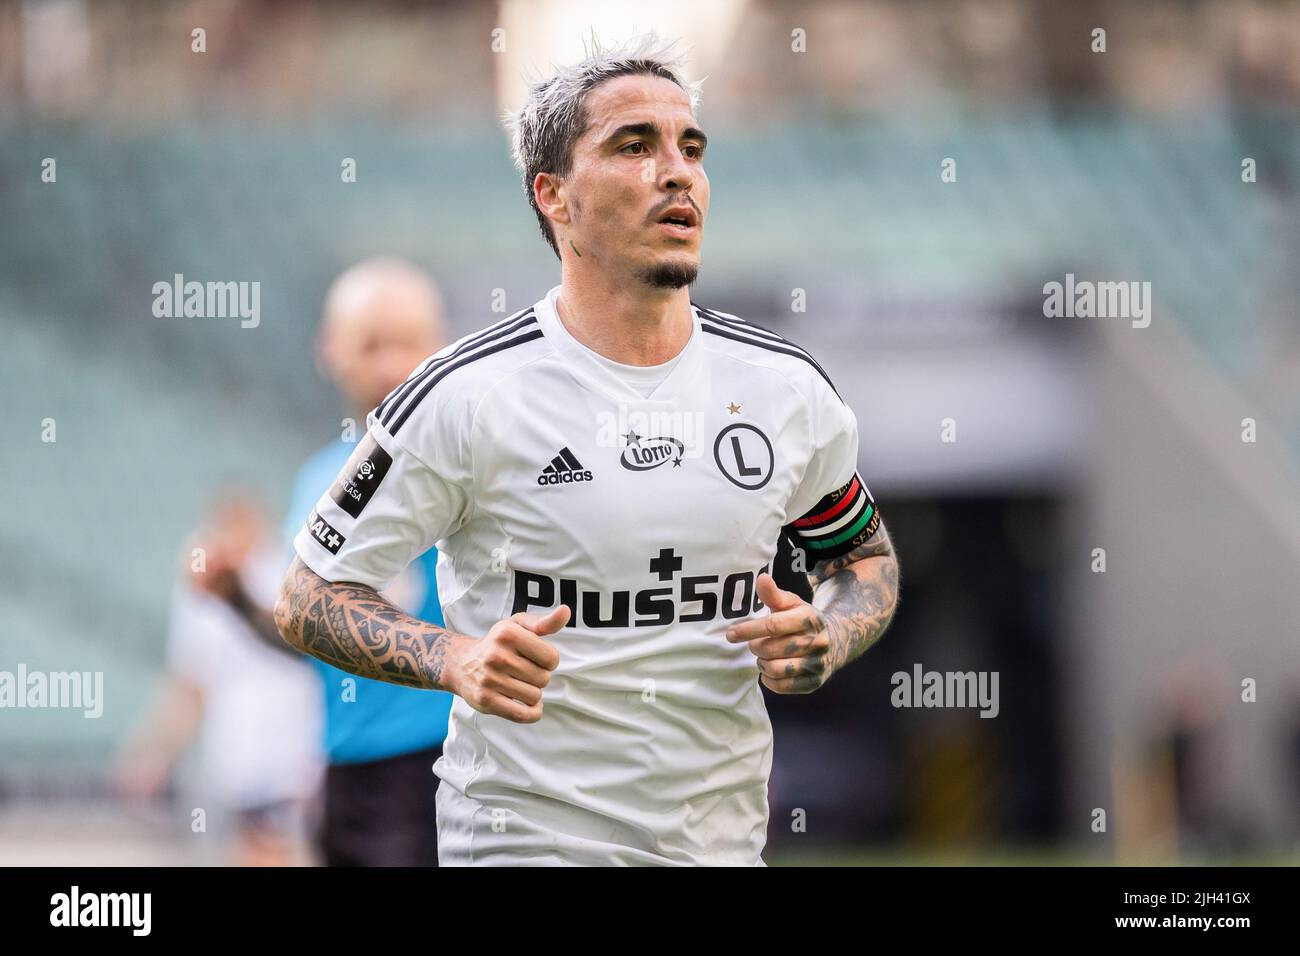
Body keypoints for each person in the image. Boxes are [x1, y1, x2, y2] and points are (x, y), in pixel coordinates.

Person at [275, 35, 900, 866]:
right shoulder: (465, 394)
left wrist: (827, 633)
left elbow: (863, 561)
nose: (676, 171)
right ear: (554, 196)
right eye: (633, 146)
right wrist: (453, 656)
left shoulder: (785, 391)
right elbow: (306, 594)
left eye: (691, 147)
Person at [284, 256, 454, 866]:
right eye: (370, 344)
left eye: (405, 343)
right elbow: (301, 625)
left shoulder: (471, 465)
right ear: (330, 350)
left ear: (439, 346)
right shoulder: (318, 481)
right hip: (348, 768)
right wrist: (231, 600)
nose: (388, 365)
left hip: (449, 759)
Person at [115, 494, 322, 866]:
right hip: (239, 762)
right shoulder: (203, 587)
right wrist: (154, 751)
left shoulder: (293, 571)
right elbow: (193, 681)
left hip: (299, 761)